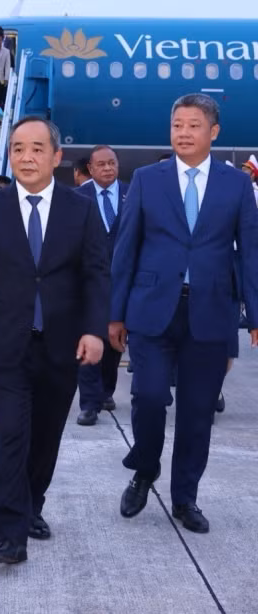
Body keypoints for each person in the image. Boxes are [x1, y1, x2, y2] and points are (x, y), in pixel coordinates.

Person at [0, 116, 108, 564]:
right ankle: (9, 532)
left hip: (62, 345)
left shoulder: (80, 209)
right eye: (19, 148)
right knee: (10, 437)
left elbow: (98, 274)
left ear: (56, 157)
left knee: (45, 438)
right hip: (5, 345)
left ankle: (32, 505)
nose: (27, 157)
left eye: (37, 148)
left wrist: (95, 329)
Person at [111, 93, 258, 534]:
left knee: (197, 412)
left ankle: (185, 497)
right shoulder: (146, 179)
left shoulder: (236, 186)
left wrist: (255, 317)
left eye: (193, 126)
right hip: (152, 310)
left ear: (213, 132)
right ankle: (145, 467)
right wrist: (114, 314)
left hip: (211, 311)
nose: (183, 133)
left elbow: (250, 253)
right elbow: (125, 249)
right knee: (150, 396)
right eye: (177, 125)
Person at [75, 146, 129, 426]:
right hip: (88, 284)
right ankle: (89, 404)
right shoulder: (78, 197)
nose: (108, 168)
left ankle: (106, 391)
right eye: (102, 165)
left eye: (112, 163)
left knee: (114, 343)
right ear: (91, 170)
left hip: (123, 284)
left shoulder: (133, 194)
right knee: (88, 338)